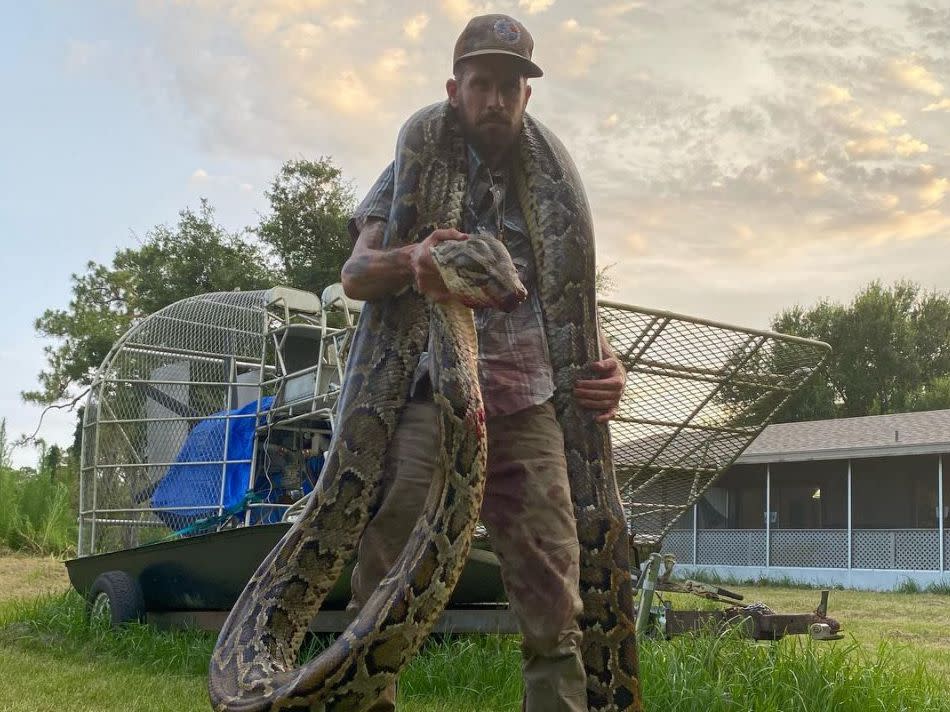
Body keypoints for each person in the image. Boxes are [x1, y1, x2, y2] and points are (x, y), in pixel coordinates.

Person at [340, 14, 627, 712]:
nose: (495, 99)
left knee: (554, 594)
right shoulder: (411, 161)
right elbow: (356, 274)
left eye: (510, 87)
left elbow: (567, 303)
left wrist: (604, 361)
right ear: (455, 87)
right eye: (482, 85)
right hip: (426, 397)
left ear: (527, 96)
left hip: (526, 403)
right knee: (385, 577)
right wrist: (414, 259)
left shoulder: (554, 183)